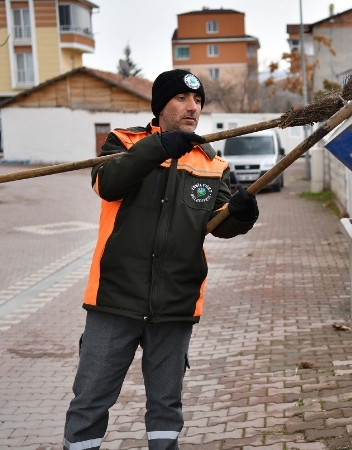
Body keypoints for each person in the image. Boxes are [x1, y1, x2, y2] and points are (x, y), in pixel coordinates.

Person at [63, 69, 258, 450]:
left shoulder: (211, 163)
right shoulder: (123, 141)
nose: (193, 108)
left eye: (198, 101)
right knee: (90, 399)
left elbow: (220, 226)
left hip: (175, 302)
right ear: (161, 105)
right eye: (183, 99)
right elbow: (109, 184)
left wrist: (242, 215)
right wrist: (160, 147)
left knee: (166, 407)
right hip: (114, 299)